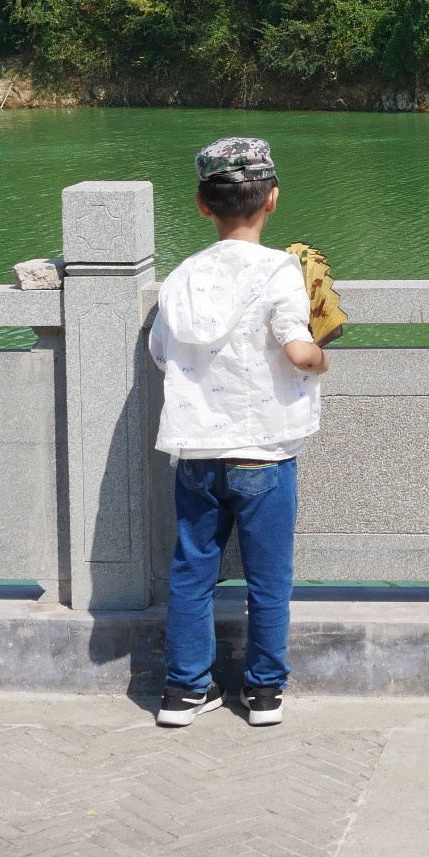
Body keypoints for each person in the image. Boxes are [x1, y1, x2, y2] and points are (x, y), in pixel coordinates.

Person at [150, 135, 328, 728]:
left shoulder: (181, 277)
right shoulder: (281, 270)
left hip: (197, 450)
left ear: (203, 205)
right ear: (272, 199)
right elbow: (298, 351)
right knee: (268, 578)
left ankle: (183, 690)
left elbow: (160, 352)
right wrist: (320, 359)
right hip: (263, 453)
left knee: (192, 571)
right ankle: (263, 692)